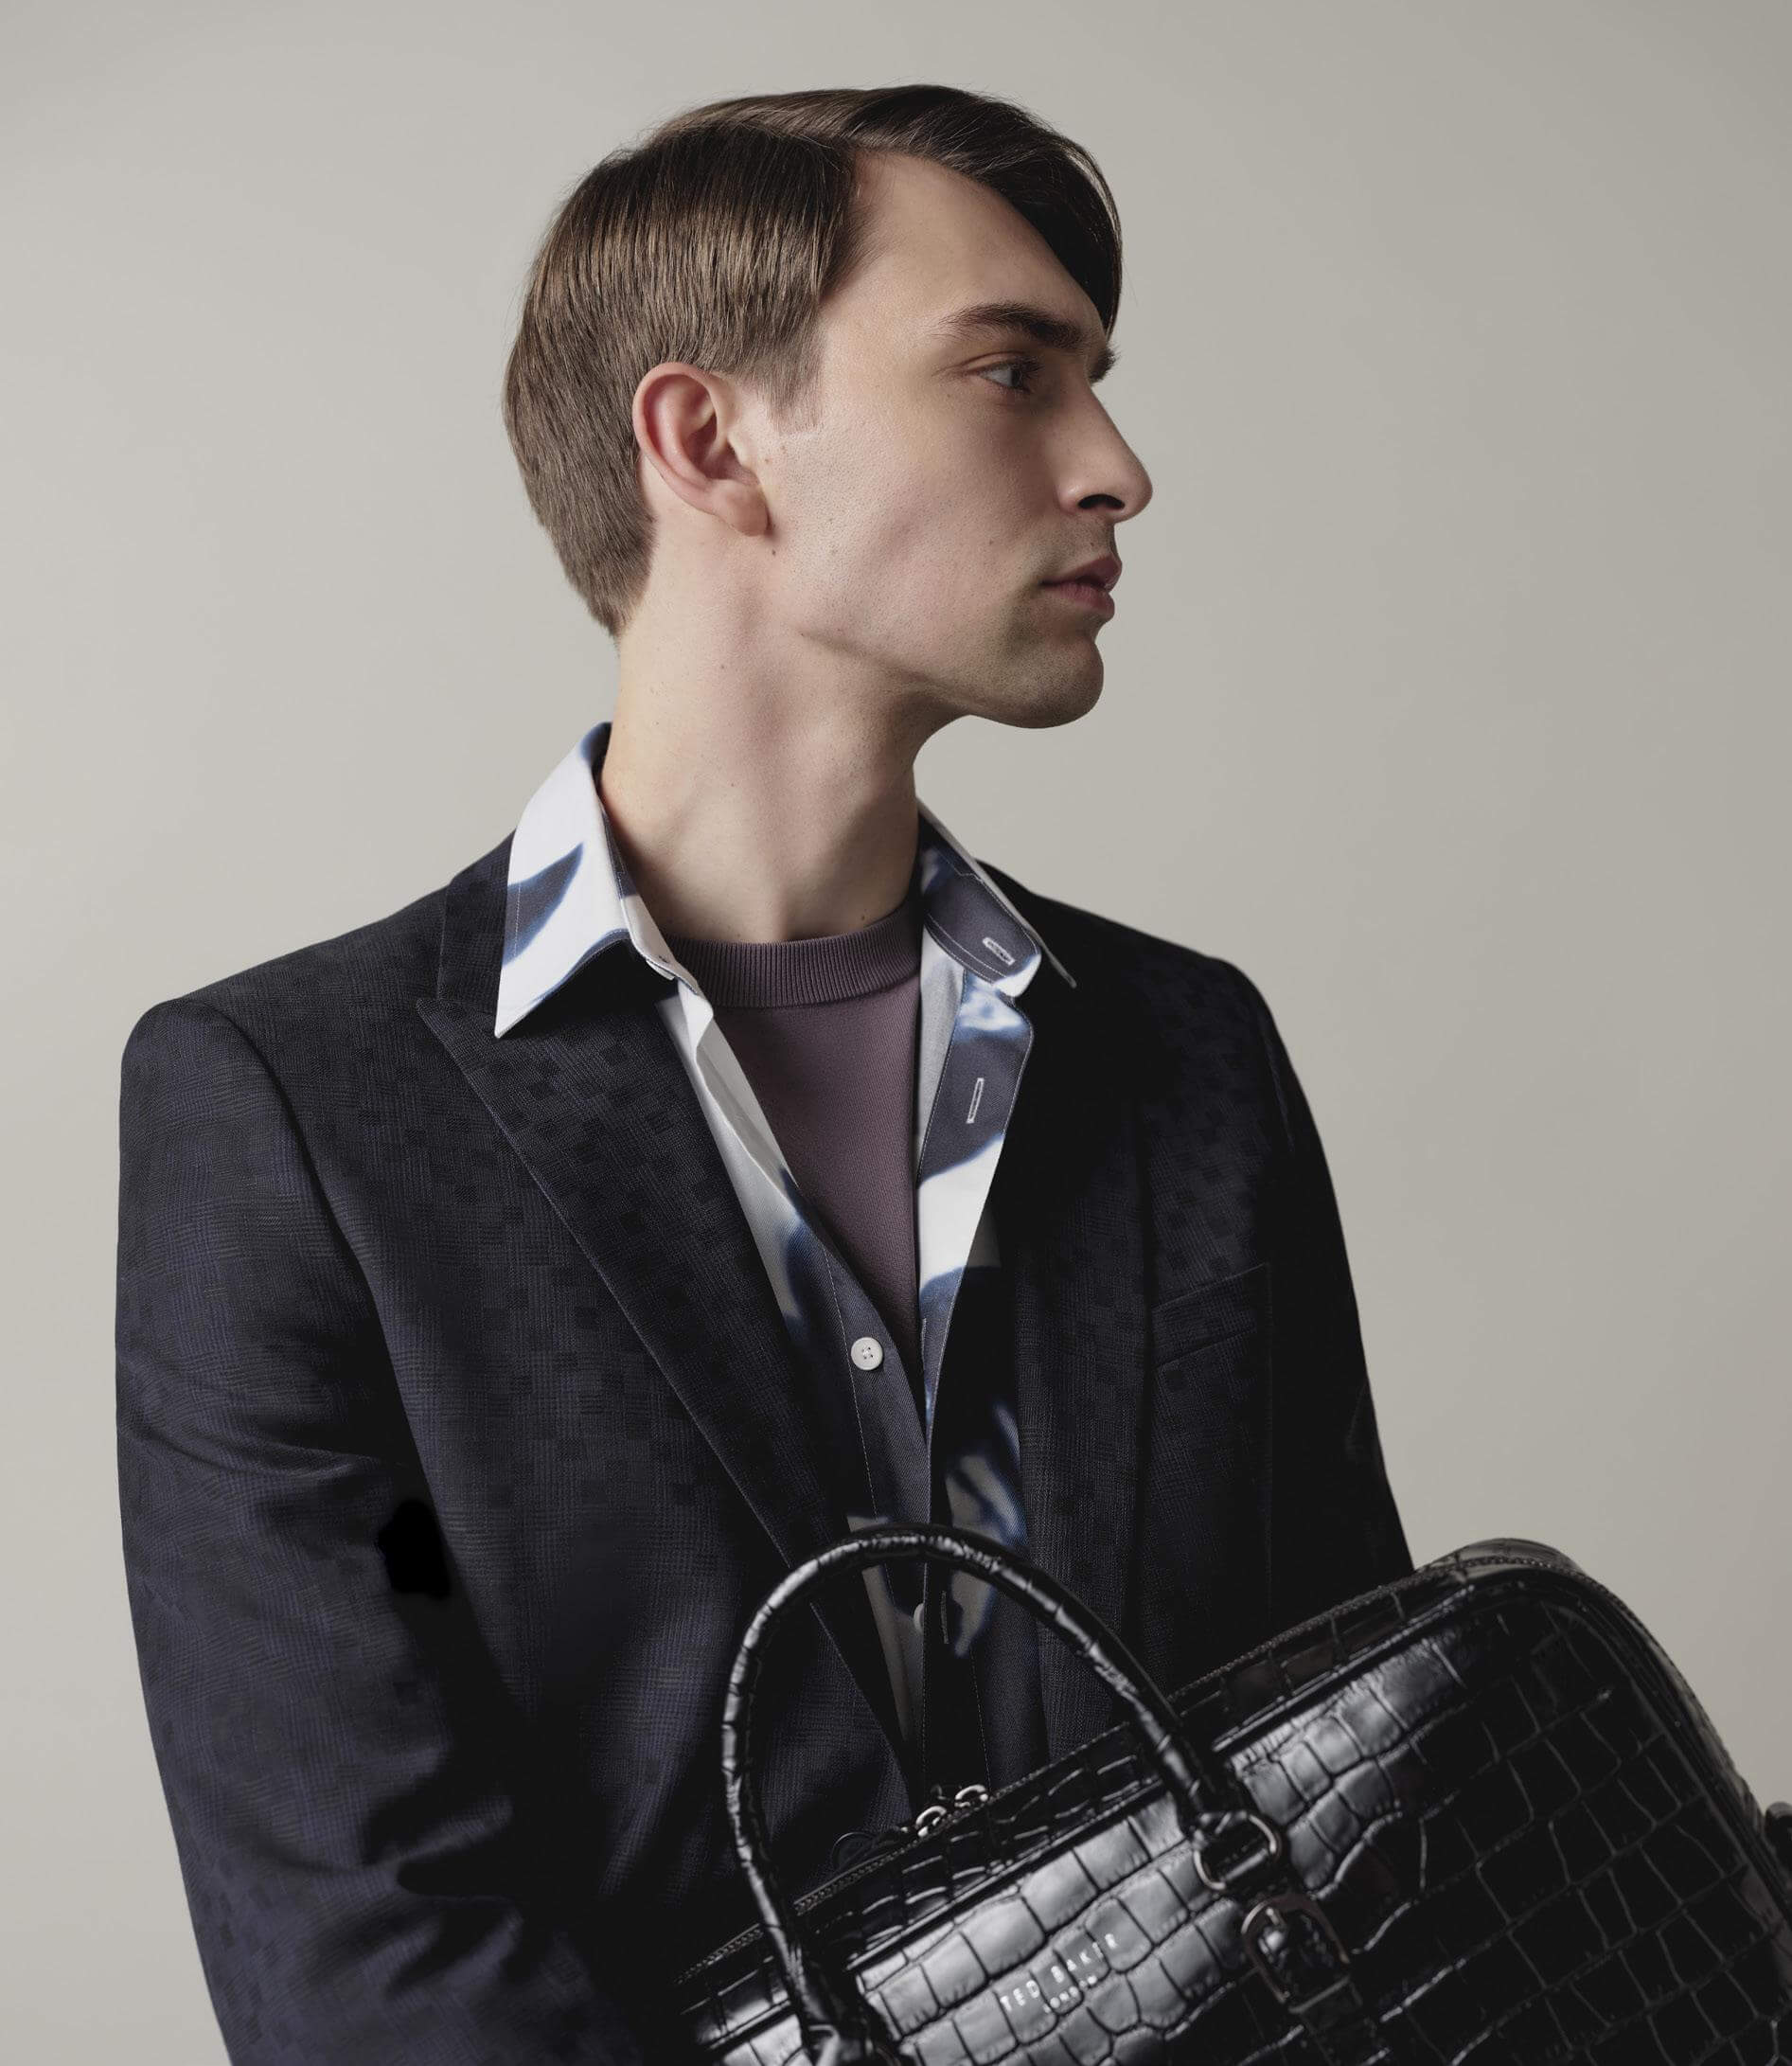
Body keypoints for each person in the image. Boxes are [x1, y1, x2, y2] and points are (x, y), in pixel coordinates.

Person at [115, 82, 1411, 2064]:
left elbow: (1360, 1759)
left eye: (1096, 382)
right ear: (707, 441)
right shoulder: (292, 1110)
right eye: (1012, 373)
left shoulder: (1185, 1049)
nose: (1117, 467)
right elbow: (366, 1952)